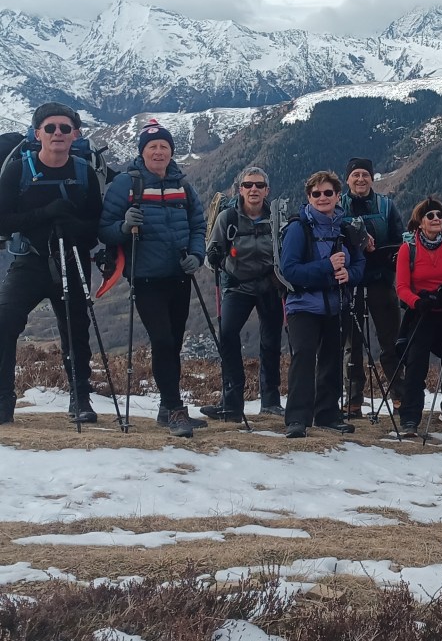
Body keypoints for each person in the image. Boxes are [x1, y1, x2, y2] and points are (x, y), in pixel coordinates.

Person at [99, 119, 207, 437]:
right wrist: (122, 226)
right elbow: (104, 228)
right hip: (145, 278)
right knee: (161, 340)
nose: (158, 151)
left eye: (163, 146)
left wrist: (196, 256)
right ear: (142, 152)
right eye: (152, 147)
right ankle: (175, 410)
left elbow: (199, 225)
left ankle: (166, 408)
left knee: (173, 344)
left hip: (179, 276)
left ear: (171, 151)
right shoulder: (126, 184)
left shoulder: (183, 184)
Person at [0, 103, 102, 425]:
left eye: (64, 128)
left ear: (75, 134)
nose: (58, 133)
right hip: (29, 261)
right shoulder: (18, 171)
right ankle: (3, 402)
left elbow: (97, 225)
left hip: (71, 260)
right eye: (50, 128)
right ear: (37, 134)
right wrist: (44, 215)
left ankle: (80, 399)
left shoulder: (84, 172)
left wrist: (76, 228)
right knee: (4, 323)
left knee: (76, 330)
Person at [279, 170, 366, 438]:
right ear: (308, 197)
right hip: (303, 306)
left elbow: (361, 263)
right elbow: (288, 270)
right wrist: (326, 267)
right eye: (316, 193)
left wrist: (349, 275)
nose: (322, 197)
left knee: (332, 359)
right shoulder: (298, 228)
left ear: (338, 196)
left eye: (328, 192)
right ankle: (297, 418)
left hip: (335, 305)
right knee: (304, 357)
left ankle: (327, 414)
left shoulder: (345, 228)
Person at [200, 166, 284, 421]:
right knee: (227, 336)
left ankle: (270, 402)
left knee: (271, 343)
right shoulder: (228, 218)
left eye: (259, 185)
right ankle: (231, 401)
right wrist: (214, 257)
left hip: (270, 286)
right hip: (237, 285)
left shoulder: (277, 218)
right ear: (240, 190)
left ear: (267, 190)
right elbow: (210, 258)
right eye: (248, 185)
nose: (254, 190)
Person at [339, 158, 405, 419]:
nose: (360, 179)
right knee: (351, 344)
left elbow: (400, 243)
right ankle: (353, 400)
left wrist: (386, 265)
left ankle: (400, 396)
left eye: (365, 174)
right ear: (347, 180)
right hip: (350, 282)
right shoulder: (337, 205)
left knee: (390, 341)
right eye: (355, 174)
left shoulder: (387, 207)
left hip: (380, 281)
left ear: (372, 178)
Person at [394, 196, 442, 435]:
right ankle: (410, 417)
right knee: (416, 366)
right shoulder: (409, 248)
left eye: (439, 215)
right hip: (421, 314)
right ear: (420, 222)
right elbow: (401, 286)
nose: (436, 219)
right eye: (430, 216)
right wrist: (417, 302)